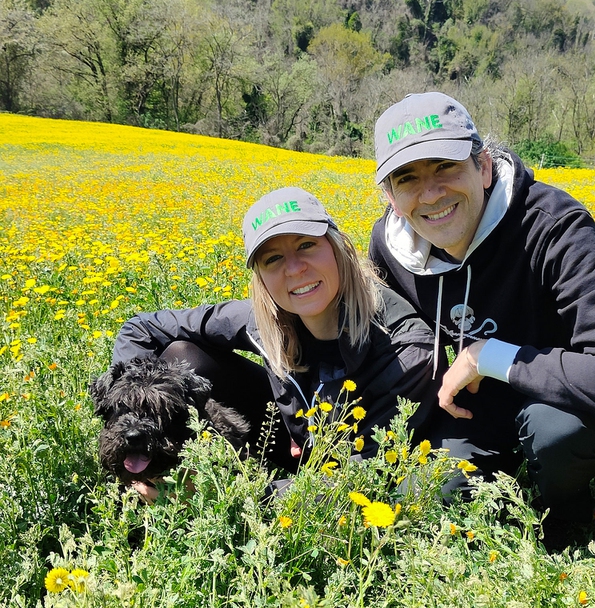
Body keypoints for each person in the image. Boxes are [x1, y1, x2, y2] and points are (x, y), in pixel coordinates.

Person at [368, 91, 595, 543]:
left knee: (556, 434)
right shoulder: (389, 246)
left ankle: (568, 510)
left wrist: (487, 356)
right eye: (407, 178)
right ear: (390, 196)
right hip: (470, 411)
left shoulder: (554, 226)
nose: (431, 193)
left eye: (445, 166)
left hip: (559, 399)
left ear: (483, 167)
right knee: (420, 503)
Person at [111, 186, 440, 501]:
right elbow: (141, 328)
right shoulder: (263, 318)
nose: (294, 269)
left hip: (358, 464)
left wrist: (222, 495)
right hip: (293, 439)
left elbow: (365, 478)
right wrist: (131, 412)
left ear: (340, 246)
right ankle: (161, 466)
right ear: (261, 277)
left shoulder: (405, 348)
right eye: (272, 259)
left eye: (306, 245)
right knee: (182, 356)